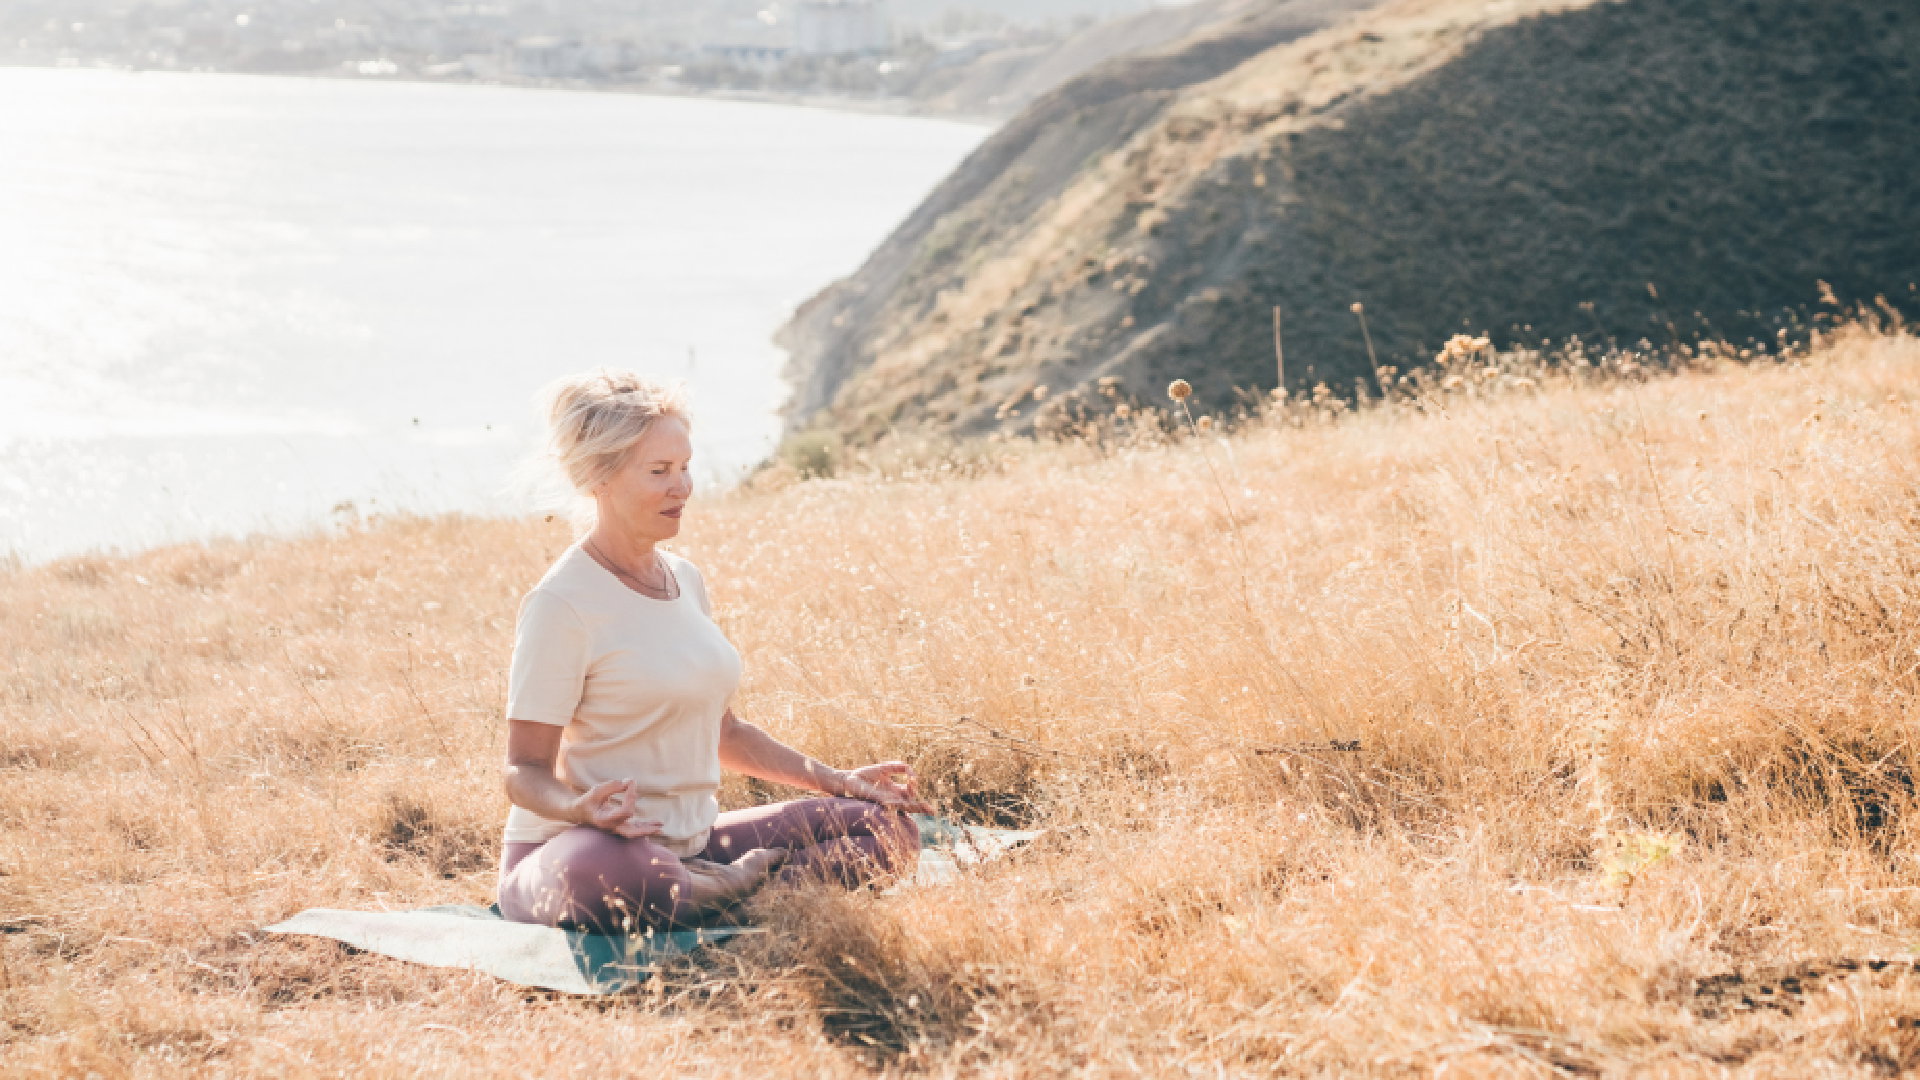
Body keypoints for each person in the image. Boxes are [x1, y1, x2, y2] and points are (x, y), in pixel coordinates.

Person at [497, 370, 926, 933]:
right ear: (598, 477)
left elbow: (723, 731)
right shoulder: (562, 604)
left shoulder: (684, 579)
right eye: (659, 472)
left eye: (684, 466)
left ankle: (719, 887)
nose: (682, 487)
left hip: (693, 844)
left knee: (888, 831)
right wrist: (581, 809)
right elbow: (523, 770)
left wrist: (840, 780)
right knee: (622, 872)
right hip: (584, 854)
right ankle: (735, 889)